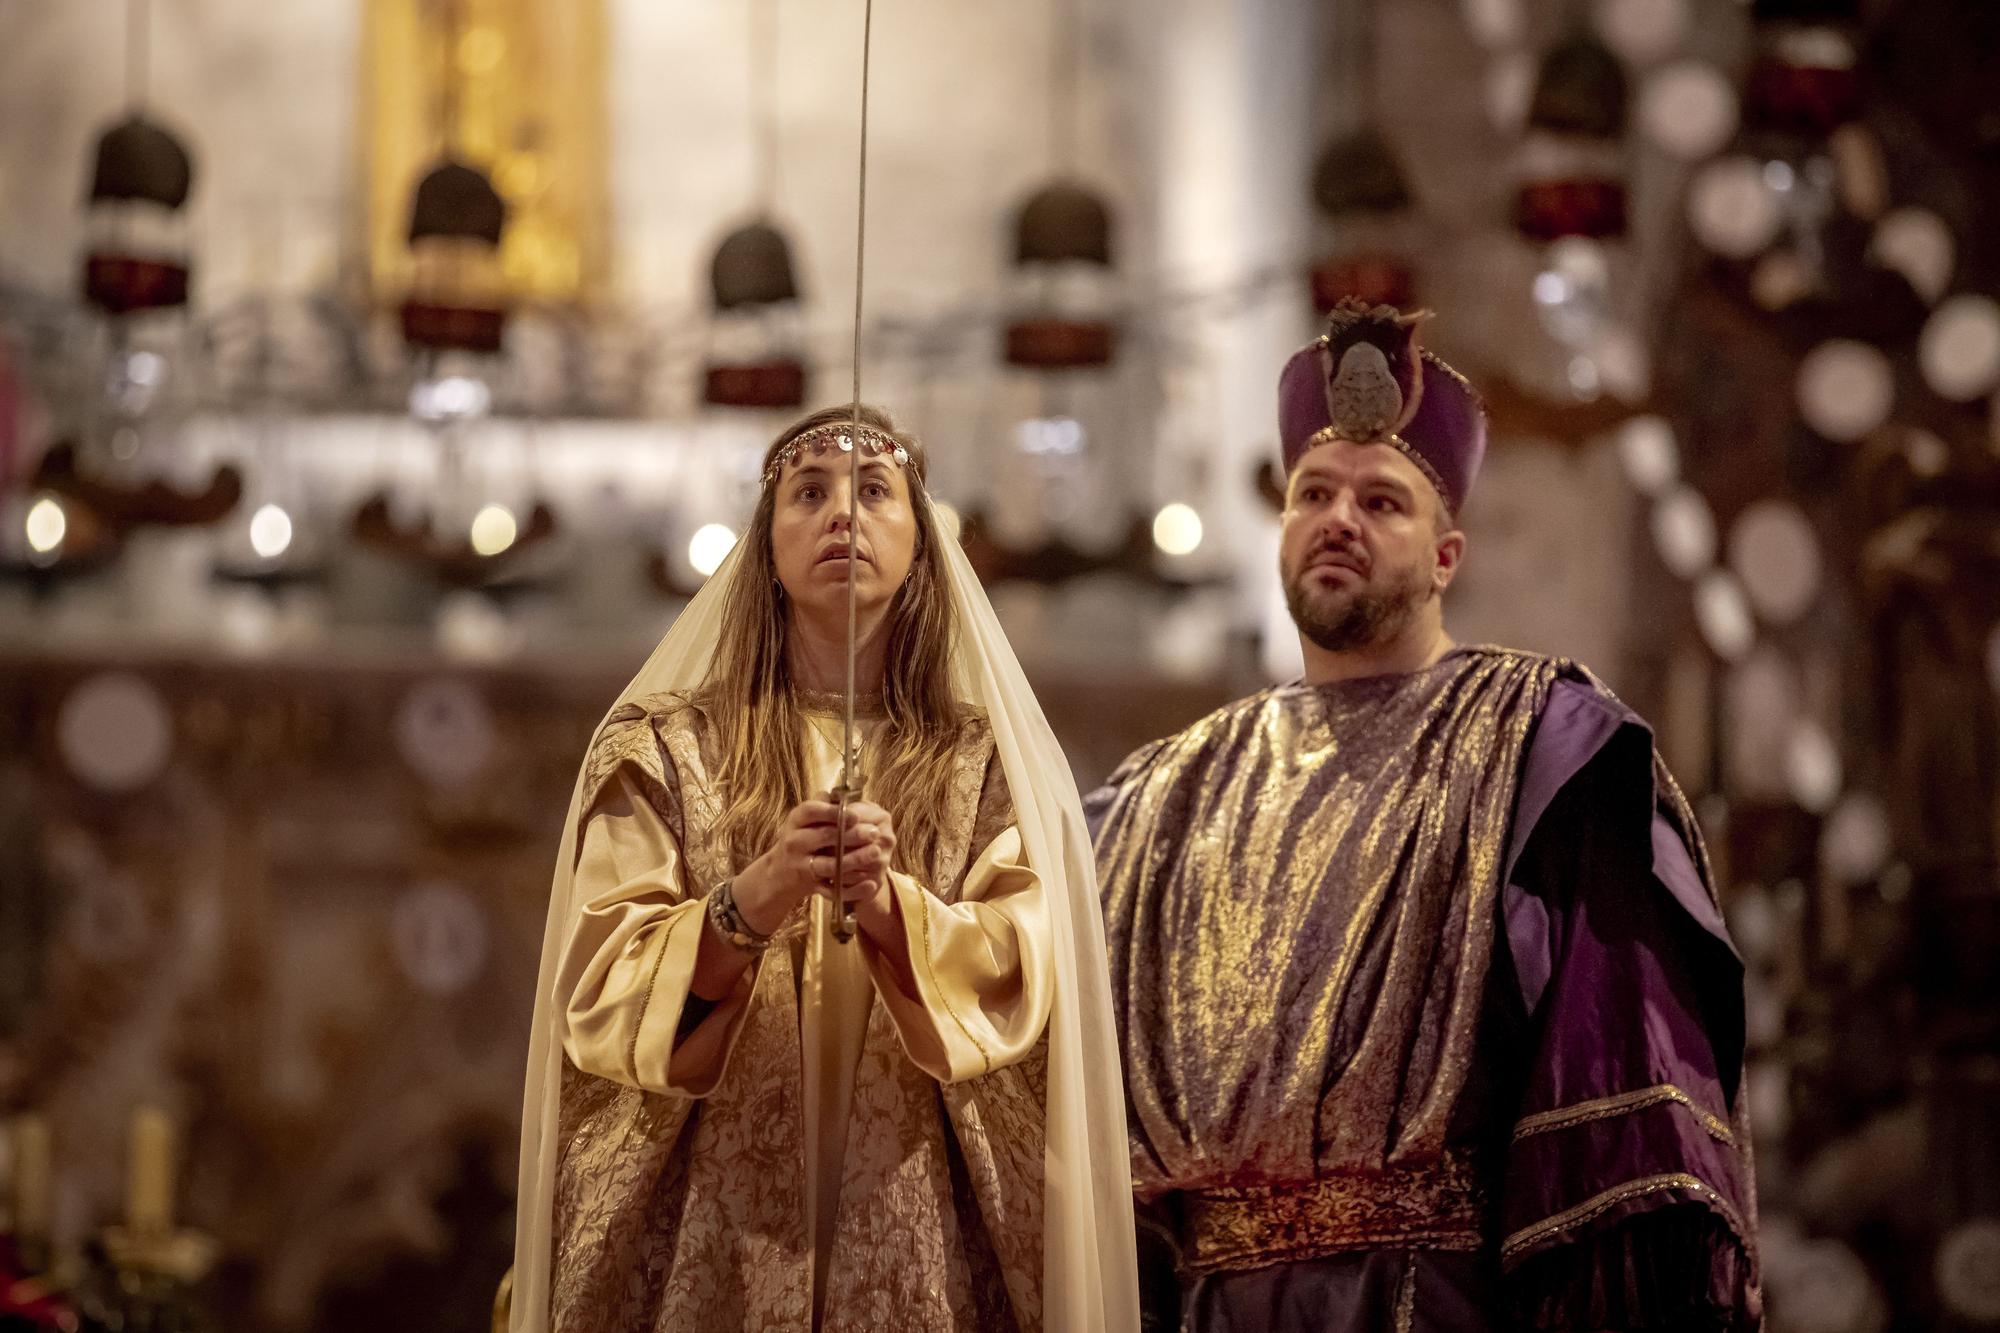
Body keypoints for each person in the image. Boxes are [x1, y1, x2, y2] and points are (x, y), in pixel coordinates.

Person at [1088, 303, 1761, 1332]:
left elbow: (1622, 1073)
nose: (1338, 518)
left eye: (1380, 501)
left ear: (1444, 557)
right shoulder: (1166, 792)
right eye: (1312, 493)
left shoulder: (1539, 745)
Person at [510, 405, 1138, 1332]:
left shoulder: (985, 765)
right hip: (712, 1230)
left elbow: (1021, 970)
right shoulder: (664, 751)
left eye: (875, 491)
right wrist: (749, 903)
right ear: (763, 547)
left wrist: (891, 908)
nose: (843, 513)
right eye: (810, 492)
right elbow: (601, 989)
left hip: (916, 1214)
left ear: (923, 547)